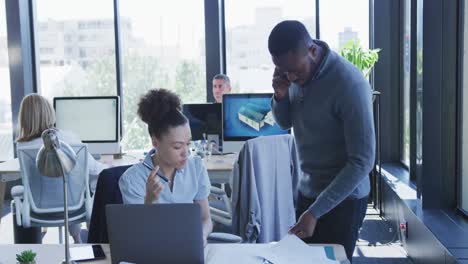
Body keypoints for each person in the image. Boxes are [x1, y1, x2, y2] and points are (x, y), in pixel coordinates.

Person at [269, 20, 375, 261]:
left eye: (295, 71)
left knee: (332, 260)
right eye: (284, 71)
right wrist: (280, 96)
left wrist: (315, 212)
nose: (291, 77)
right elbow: (285, 122)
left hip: (343, 199)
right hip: (308, 191)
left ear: (312, 50)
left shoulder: (349, 84)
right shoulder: (292, 74)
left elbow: (362, 161)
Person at [119, 88, 213, 245]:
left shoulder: (196, 167)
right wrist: (150, 201)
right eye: (177, 147)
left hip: (189, 247)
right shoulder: (132, 179)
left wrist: (201, 236)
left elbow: (205, 219)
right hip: (152, 251)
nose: (186, 153)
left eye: (188, 144)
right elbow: (137, 234)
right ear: (155, 142)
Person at [16, 93, 107, 243]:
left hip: (37, 212)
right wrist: (108, 166)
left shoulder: (22, 147)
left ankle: (75, 238)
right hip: (73, 210)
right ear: (49, 114)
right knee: (78, 187)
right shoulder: (69, 139)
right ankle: (82, 239)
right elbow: (94, 170)